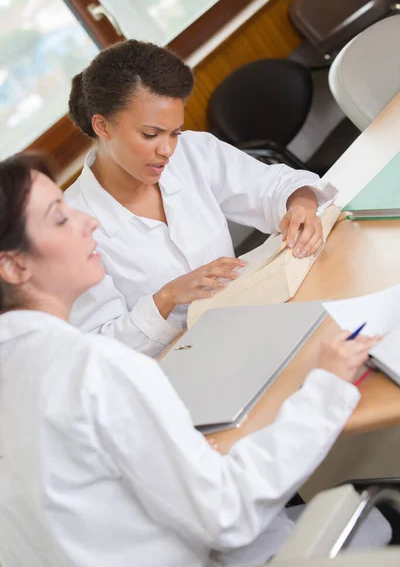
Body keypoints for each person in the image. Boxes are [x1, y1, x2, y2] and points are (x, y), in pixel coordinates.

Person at [0, 153, 389, 567]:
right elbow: (227, 514)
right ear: (14, 265)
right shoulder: (94, 369)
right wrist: (324, 389)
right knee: (374, 518)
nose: (87, 222)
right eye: (59, 218)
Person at [65, 39, 338, 357]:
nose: (167, 150)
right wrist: (166, 297)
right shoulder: (69, 228)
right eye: (150, 135)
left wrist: (300, 205)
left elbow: (274, 185)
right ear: (102, 126)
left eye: (174, 133)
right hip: (180, 367)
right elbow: (100, 349)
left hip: (248, 326)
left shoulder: (192, 153)